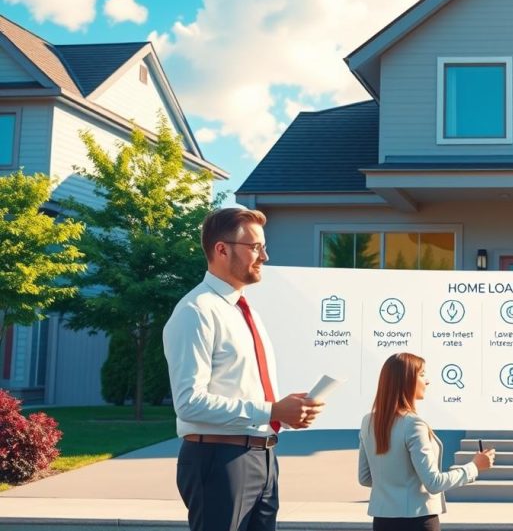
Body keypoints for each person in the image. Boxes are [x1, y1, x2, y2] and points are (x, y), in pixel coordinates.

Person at [164, 207, 324, 531]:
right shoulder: (196, 311)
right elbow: (188, 402)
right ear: (221, 250)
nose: (264, 255)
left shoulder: (245, 311)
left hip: (263, 458)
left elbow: (244, 387)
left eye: (263, 247)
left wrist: (285, 411)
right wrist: (271, 409)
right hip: (219, 460)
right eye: (255, 247)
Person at [358, 352, 495, 531]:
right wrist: (474, 466)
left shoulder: (368, 422)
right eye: (422, 375)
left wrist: (394, 487)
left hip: (383, 521)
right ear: (406, 381)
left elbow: (365, 478)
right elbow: (434, 483)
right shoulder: (413, 424)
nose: (427, 381)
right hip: (418, 521)